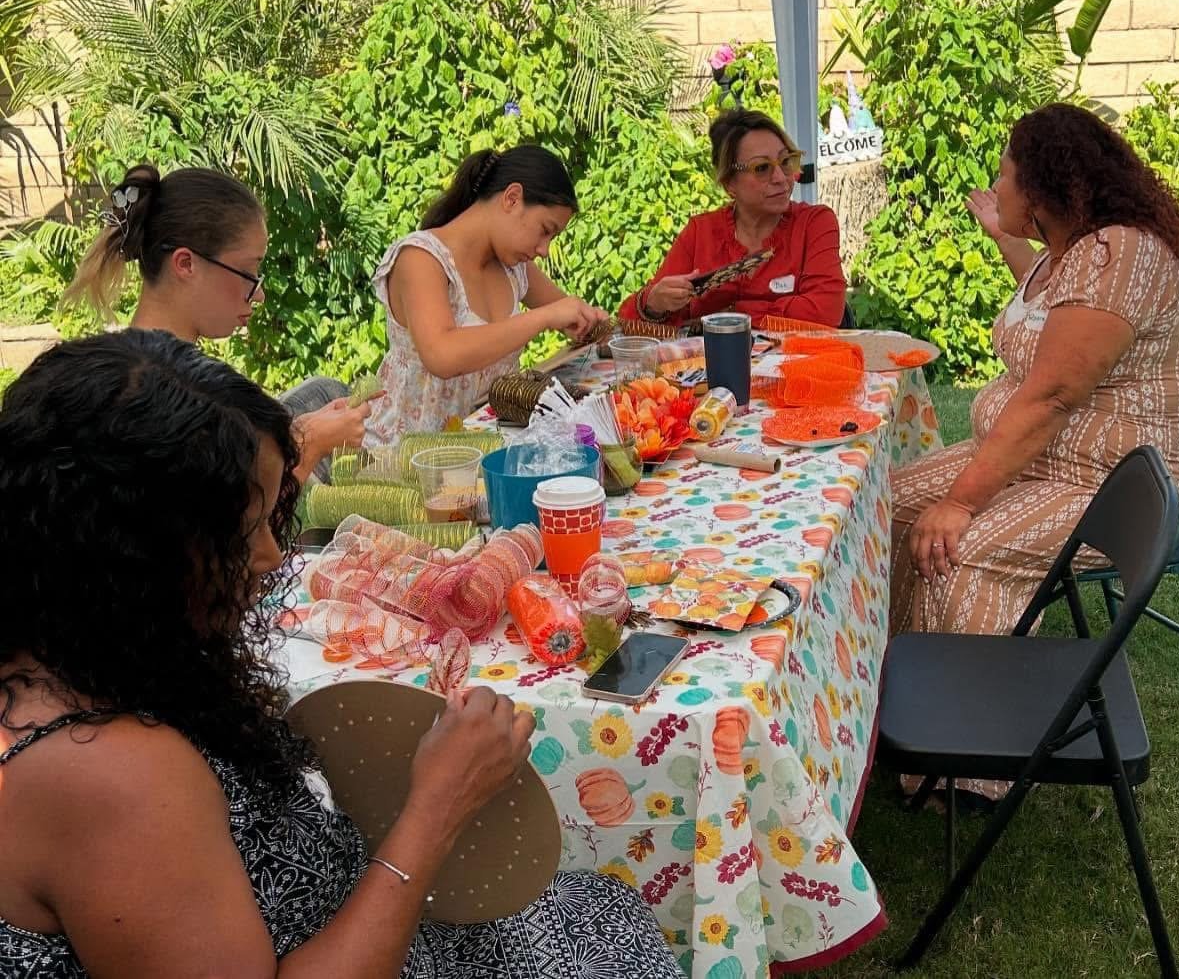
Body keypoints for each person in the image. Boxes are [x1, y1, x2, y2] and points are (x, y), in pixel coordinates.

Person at [0, 329, 682, 979]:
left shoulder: (87, 650)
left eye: (274, 518)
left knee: (601, 905)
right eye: (243, 537)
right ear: (126, 559)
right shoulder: (104, 773)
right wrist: (437, 806)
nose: (272, 557)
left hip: (369, 925)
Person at [889, 104, 1179, 800]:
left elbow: (1050, 398)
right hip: (1037, 459)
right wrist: (1004, 237)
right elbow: (1046, 302)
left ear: (1041, 189)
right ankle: (880, 700)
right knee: (883, 507)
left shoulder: (1118, 256)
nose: (995, 187)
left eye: (1004, 175)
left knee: (956, 544)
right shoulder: (1075, 253)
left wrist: (959, 502)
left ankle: (970, 766)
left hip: (1102, 485)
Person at [63, 164, 373, 481]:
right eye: (248, 272)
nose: (259, 294)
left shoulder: (122, 372)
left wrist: (299, 433)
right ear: (186, 264)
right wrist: (309, 448)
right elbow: (243, 523)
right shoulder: (175, 401)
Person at [364, 146, 608, 445]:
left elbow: (574, 315)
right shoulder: (422, 259)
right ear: (512, 198)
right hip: (404, 463)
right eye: (545, 230)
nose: (544, 249)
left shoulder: (514, 269)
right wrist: (543, 317)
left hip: (482, 455)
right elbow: (442, 355)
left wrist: (597, 322)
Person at [619, 109, 847, 328]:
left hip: (798, 366)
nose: (780, 178)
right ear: (730, 184)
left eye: (786, 162)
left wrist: (733, 314)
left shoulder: (814, 223)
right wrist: (652, 304)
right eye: (762, 168)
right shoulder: (701, 232)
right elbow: (629, 322)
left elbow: (824, 312)